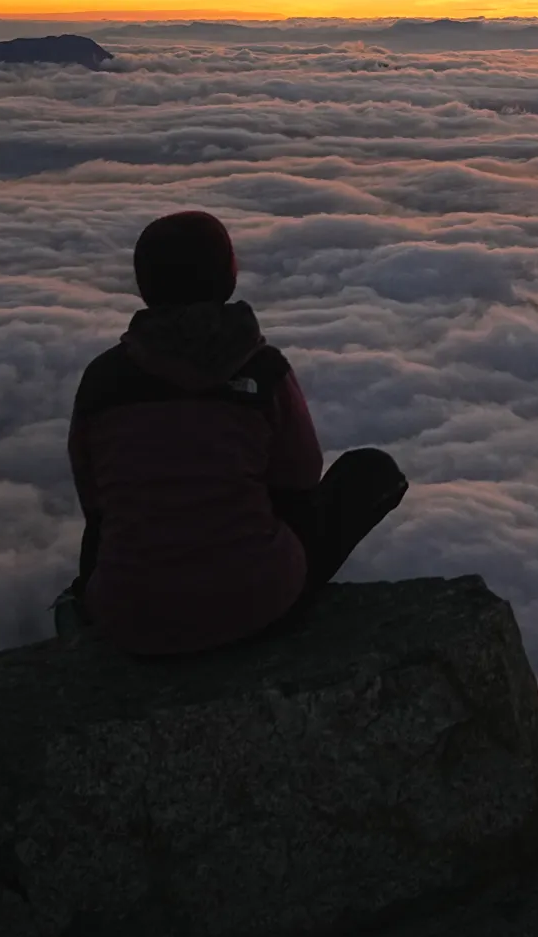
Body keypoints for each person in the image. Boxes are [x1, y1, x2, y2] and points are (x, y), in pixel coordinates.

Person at [66, 209, 408, 656]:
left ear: (144, 285)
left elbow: (95, 502)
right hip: (257, 603)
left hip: (127, 615)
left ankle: (80, 609)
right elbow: (301, 479)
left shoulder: (102, 381)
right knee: (372, 473)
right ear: (229, 275)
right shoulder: (263, 371)